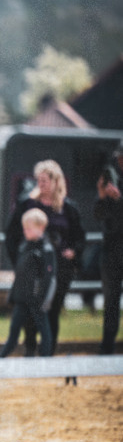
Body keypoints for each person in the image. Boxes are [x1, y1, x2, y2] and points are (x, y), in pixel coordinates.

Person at [5, 159, 85, 355]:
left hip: (59, 270)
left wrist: (73, 252)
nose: (40, 184)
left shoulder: (68, 208)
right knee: (30, 312)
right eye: (38, 180)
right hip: (32, 270)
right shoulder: (27, 204)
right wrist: (20, 262)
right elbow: (11, 235)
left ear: (56, 181)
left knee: (52, 311)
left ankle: (48, 354)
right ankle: (30, 350)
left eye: (45, 180)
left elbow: (80, 237)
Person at [0, 208, 57, 358]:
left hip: (37, 300)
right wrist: (13, 295)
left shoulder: (46, 250)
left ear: (41, 228)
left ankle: (45, 358)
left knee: (44, 329)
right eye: (24, 228)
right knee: (14, 329)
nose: (25, 231)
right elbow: (20, 274)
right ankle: (1, 356)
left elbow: (48, 278)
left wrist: (42, 299)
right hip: (22, 298)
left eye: (29, 228)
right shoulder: (24, 247)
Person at [94, 140, 123, 354]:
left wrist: (119, 199)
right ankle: (107, 346)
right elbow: (98, 216)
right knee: (110, 300)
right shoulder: (112, 176)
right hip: (112, 248)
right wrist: (103, 197)